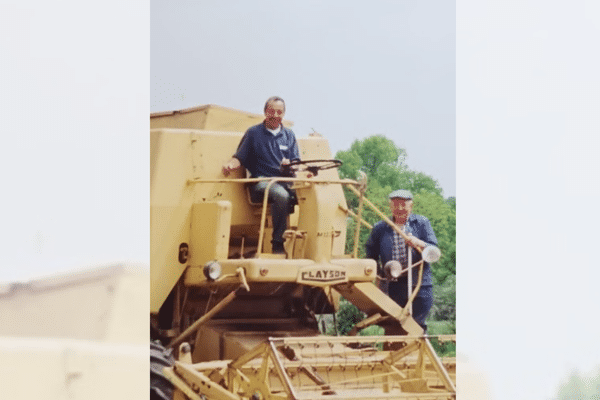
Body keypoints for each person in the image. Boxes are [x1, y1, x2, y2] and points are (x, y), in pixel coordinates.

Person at [222, 96, 300, 254]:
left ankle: (302, 243)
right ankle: (278, 244)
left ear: (284, 114)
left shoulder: (289, 135)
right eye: (272, 111)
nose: (275, 115)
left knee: (308, 195)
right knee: (281, 195)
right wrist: (230, 164)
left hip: (284, 181)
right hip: (262, 183)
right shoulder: (253, 133)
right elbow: (240, 157)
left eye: (279, 112)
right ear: (265, 112)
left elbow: (297, 163)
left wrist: (290, 165)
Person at [365, 189, 439, 333]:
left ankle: (417, 352)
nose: (399, 209)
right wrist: (378, 276)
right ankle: (393, 353)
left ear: (411, 206)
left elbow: (434, 249)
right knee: (393, 324)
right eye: (395, 205)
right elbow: (370, 254)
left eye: (403, 205)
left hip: (419, 284)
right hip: (393, 285)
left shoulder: (421, 223)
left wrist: (419, 243)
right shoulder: (380, 227)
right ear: (390, 206)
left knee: (416, 325)